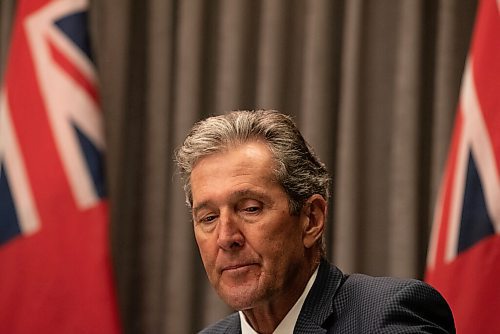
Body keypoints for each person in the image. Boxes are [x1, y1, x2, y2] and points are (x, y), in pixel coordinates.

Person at [175, 110, 455, 334]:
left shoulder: (387, 316)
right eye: (209, 217)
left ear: (311, 219)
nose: (225, 237)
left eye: (250, 208)